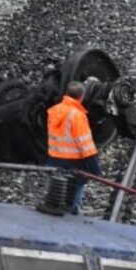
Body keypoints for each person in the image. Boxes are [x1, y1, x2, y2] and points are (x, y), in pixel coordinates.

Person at [46, 81, 100, 215]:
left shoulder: (54, 111)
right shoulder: (77, 115)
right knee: (71, 198)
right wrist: (95, 169)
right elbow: (85, 145)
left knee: (56, 191)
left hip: (54, 159)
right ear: (81, 97)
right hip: (74, 163)